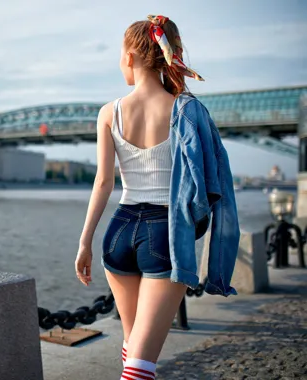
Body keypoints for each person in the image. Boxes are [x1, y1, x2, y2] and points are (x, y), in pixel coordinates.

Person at [75, 15, 240, 380]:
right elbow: (210, 181)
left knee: (133, 348)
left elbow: (103, 182)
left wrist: (85, 243)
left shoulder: (109, 112)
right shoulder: (187, 110)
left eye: (120, 55)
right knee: (140, 364)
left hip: (118, 234)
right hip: (166, 235)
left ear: (131, 56)